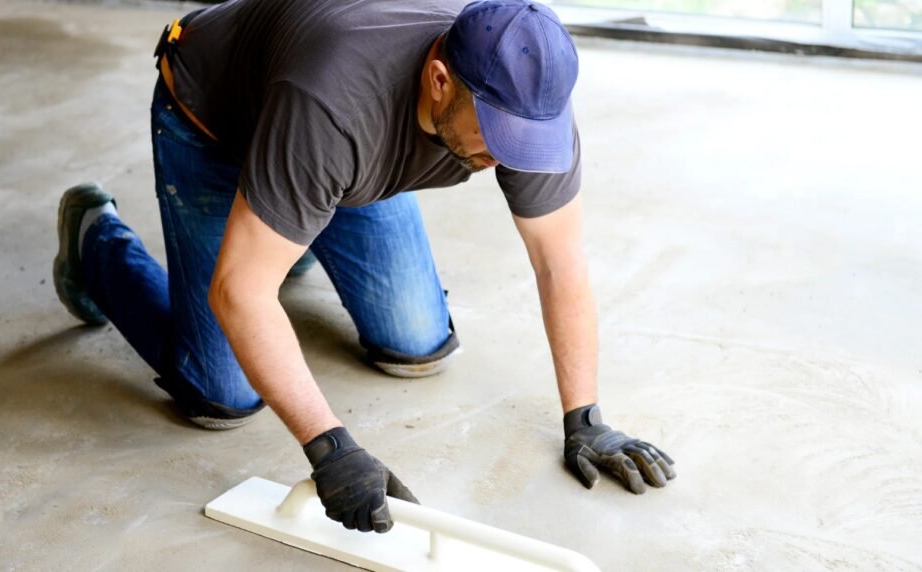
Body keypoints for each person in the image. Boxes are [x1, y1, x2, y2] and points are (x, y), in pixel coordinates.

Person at [53, 0, 676, 534]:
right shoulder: (334, 106)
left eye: (524, 140)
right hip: (217, 121)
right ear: (438, 80)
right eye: (496, 137)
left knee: (417, 345)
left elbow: (558, 261)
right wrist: (331, 449)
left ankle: (289, 224)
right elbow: (239, 292)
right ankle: (94, 243)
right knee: (221, 395)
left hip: (330, 156)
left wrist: (586, 418)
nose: (507, 157)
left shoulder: (526, 95)